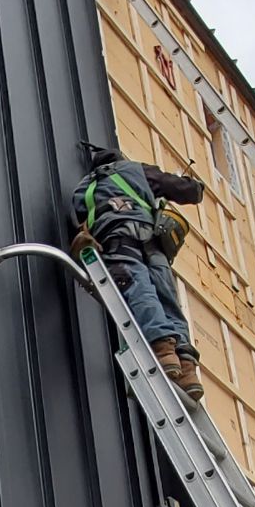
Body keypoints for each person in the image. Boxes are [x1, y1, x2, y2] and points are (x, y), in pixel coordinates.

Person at [74, 149, 207, 399]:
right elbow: (181, 188)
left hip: (117, 244)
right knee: (168, 301)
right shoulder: (134, 170)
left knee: (139, 290)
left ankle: (164, 352)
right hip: (152, 243)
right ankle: (186, 367)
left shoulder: (82, 190)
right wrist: (195, 187)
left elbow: (83, 224)